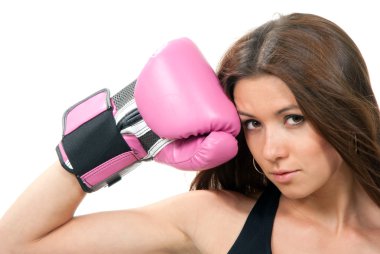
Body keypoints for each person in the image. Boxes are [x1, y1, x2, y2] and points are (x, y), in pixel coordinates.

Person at [0, 12, 379, 253]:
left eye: (293, 118)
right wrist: (129, 131)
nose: (271, 150)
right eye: (253, 123)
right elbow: (16, 243)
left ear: (342, 111)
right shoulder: (214, 218)